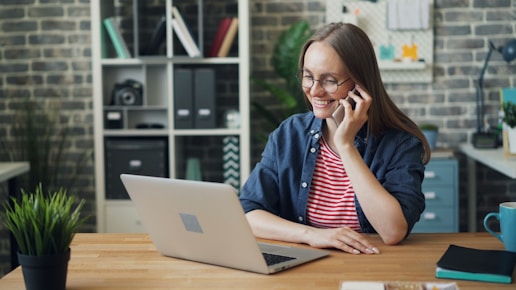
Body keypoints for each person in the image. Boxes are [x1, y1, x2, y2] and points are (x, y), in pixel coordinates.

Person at [239, 22, 431, 255]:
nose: (315, 91)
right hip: (306, 266)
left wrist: (346, 145)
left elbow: (392, 232)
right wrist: (312, 235)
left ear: (360, 84)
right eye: (308, 76)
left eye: (330, 80)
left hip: (373, 265)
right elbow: (248, 213)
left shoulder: (400, 143)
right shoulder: (289, 134)